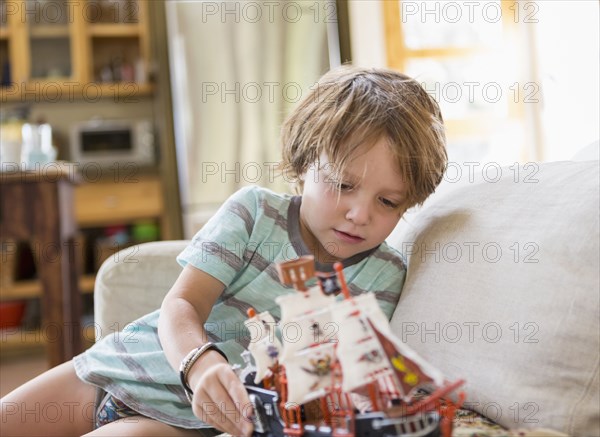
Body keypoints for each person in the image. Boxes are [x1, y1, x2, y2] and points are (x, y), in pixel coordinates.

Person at [0, 65, 447, 436]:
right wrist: (198, 363)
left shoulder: (383, 276)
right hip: (118, 368)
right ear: (304, 160)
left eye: (388, 202)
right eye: (343, 184)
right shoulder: (254, 212)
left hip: (180, 420)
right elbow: (181, 305)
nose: (359, 214)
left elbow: (327, 376)